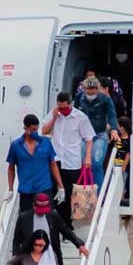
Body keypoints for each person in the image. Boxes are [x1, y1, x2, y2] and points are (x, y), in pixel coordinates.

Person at [42, 92, 95, 227]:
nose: (62, 111)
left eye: (65, 108)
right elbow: (44, 131)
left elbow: (89, 138)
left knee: (69, 192)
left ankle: (67, 223)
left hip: (72, 161)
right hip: (57, 159)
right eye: (60, 108)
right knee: (55, 192)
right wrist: (54, 118)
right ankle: (57, 222)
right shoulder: (55, 114)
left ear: (70, 104)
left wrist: (87, 158)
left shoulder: (80, 117)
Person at [13, 192, 89, 265]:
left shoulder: (53, 216)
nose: (42, 212)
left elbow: (66, 231)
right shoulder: (23, 218)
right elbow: (16, 241)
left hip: (50, 258)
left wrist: (79, 244)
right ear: (33, 205)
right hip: (30, 259)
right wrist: (16, 259)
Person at [5, 114, 66, 212]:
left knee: (47, 218)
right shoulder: (15, 146)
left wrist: (61, 186)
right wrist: (10, 189)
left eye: (36, 129)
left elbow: (53, 164)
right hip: (26, 189)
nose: (35, 132)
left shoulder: (46, 142)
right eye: (33, 130)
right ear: (25, 128)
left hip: (44, 187)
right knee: (26, 219)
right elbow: (11, 168)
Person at [74, 76, 119, 191]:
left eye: (93, 93)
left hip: (99, 134)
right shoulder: (79, 97)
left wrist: (114, 128)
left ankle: (98, 192)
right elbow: (74, 114)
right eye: (88, 93)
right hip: (83, 135)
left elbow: (112, 115)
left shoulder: (105, 99)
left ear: (97, 89)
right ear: (84, 89)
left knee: (97, 163)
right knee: (85, 164)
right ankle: (87, 190)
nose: (90, 96)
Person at [114, 116, 131, 202]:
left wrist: (124, 165)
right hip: (114, 163)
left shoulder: (129, 139)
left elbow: (129, 153)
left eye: (121, 126)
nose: (120, 128)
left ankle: (122, 198)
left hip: (123, 164)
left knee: (122, 181)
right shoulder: (116, 137)